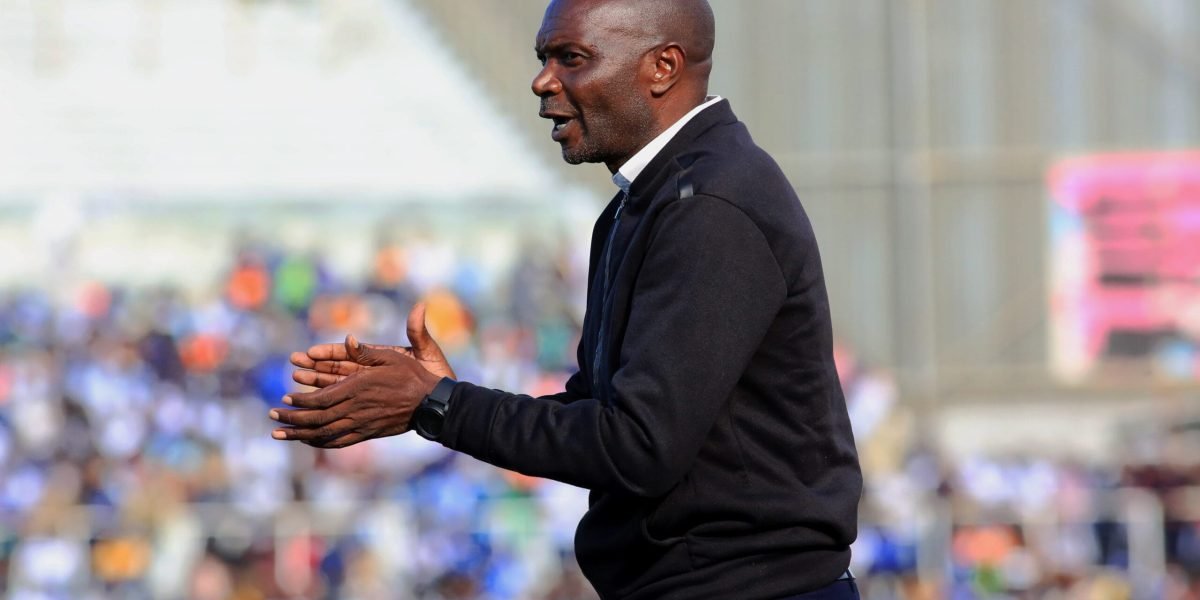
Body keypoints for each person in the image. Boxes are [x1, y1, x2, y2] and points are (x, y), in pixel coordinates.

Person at [269, 0, 863, 597]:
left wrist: (439, 405)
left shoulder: (710, 207)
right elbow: (600, 413)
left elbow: (639, 446)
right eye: (544, 58)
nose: (543, 80)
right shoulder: (648, 201)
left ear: (663, 67)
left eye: (570, 58)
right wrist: (440, 397)